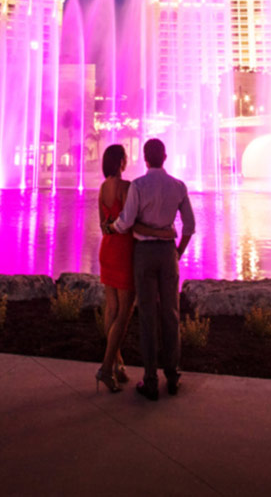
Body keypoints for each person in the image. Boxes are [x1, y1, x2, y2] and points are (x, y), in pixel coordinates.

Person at [108, 137, 195, 401]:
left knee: (147, 315)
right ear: (165, 157)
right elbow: (190, 226)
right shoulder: (178, 186)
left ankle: (150, 380)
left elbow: (126, 222)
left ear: (144, 159)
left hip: (144, 254)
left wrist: (111, 226)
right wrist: (177, 252)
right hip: (168, 254)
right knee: (171, 314)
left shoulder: (138, 185)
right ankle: (172, 376)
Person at [95, 144, 175, 392]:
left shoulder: (102, 189)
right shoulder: (126, 187)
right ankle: (106, 369)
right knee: (125, 312)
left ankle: (118, 366)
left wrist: (111, 227)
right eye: (125, 159)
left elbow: (104, 226)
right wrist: (162, 232)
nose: (127, 162)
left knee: (112, 309)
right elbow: (134, 226)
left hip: (106, 250)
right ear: (120, 162)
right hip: (123, 253)